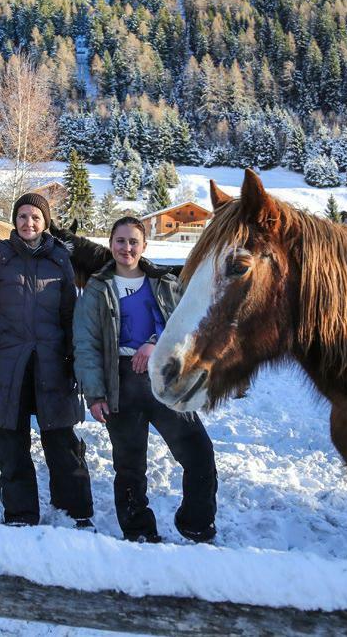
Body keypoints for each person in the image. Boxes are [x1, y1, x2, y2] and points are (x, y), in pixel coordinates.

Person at [0, 192, 93, 528]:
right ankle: (21, 512)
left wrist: (77, 357)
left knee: (61, 438)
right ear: (15, 220)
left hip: (53, 359)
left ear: (45, 221)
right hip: (8, 361)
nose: (29, 223)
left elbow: (70, 314)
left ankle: (73, 509)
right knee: (10, 439)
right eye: (22, 216)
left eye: (35, 217)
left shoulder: (60, 260)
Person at [73, 216, 217, 543]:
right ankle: (138, 530)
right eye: (120, 241)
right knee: (129, 466)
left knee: (199, 453)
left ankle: (197, 522)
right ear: (111, 244)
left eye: (133, 241)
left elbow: (190, 327)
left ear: (144, 246)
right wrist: (95, 395)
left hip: (164, 381)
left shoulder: (165, 282)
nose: (127, 248)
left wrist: (155, 343)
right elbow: (86, 345)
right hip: (120, 383)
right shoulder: (96, 289)